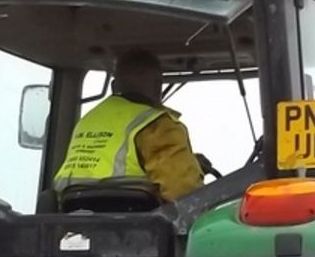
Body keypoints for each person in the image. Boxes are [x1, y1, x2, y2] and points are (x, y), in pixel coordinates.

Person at [53, 49, 205, 203]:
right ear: (157, 85)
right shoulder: (157, 125)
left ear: (114, 86)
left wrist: (192, 164)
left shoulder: (85, 122)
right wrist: (194, 173)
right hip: (136, 222)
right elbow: (184, 194)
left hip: (73, 220)